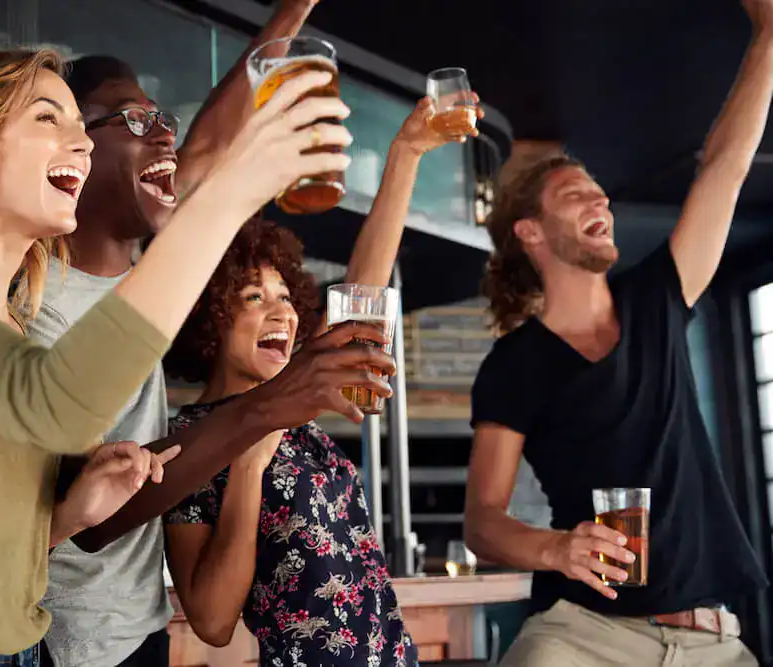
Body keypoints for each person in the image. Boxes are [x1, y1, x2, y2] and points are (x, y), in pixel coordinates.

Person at [0, 46, 373, 667]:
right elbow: (54, 406)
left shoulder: (8, 320)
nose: (80, 144)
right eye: (49, 118)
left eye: (83, 127)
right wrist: (232, 191)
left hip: (12, 653)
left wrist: (67, 517)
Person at [28, 3, 346, 665]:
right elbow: (91, 516)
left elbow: (203, 147)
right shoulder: (36, 302)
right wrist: (264, 410)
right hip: (66, 640)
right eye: (136, 117)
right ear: (71, 149)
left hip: (140, 624)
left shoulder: (147, 275)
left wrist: (292, 11)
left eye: (164, 119)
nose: (165, 136)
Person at [464, 2, 773, 665]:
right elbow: (482, 521)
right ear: (531, 232)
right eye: (576, 194)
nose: (599, 200)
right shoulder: (514, 365)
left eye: (598, 191)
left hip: (713, 640)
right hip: (583, 636)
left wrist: (770, 34)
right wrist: (554, 546)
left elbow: (723, 166)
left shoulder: (660, 297)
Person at [161, 92, 479, 667]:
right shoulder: (188, 441)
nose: (279, 313)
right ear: (208, 318)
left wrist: (406, 153)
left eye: (285, 297)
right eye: (253, 298)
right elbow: (209, 620)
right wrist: (252, 459)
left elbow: (365, 291)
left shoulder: (298, 403)